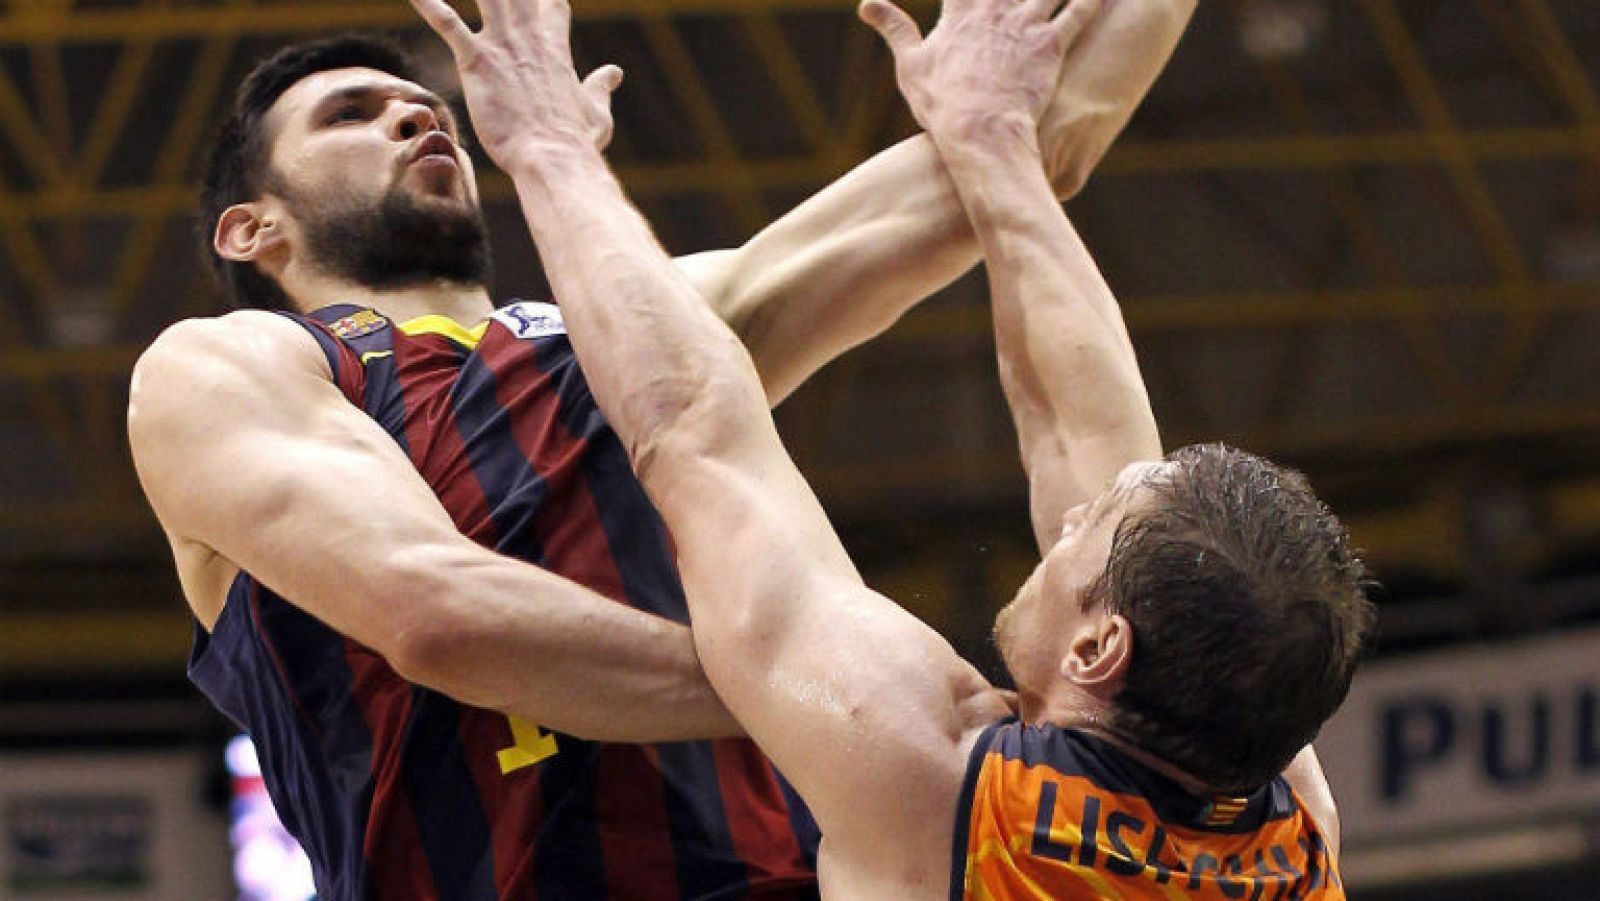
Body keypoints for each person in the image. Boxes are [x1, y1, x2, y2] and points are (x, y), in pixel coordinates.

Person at [126, 2, 1196, 899]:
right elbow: (435, 611)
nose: (412, 112)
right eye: (351, 114)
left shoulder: (642, 325)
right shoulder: (232, 363)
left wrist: (1005, 85)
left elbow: (1021, 142)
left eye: (423, 103)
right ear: (248, 228)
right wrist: (849, 699)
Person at [406, 0, 1377, 896]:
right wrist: (993, 143)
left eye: (1093, 527)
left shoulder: (939, 791)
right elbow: (1081, 430)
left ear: (1098, 645)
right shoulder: (1288, 827)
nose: (1072, 514)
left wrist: (545, 143)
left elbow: (692, 434)